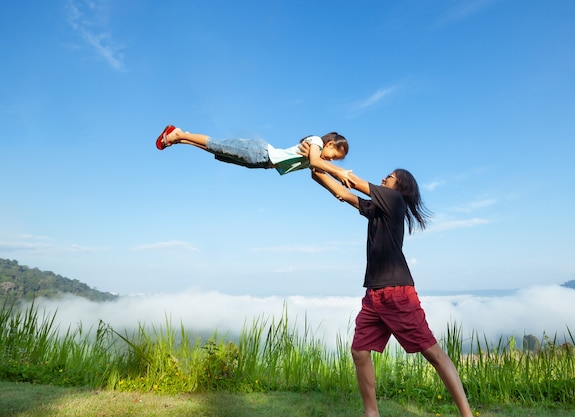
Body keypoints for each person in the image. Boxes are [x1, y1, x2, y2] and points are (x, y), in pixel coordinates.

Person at [299, 143, 473, 417]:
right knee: (359, 351)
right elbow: (344, 193)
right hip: (374, 296)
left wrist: (320, 160)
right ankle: (372, 413)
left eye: (389, 177)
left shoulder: (394, 201)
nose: (383, 178)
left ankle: (467, 414)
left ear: (400, 186)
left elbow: (352, 181)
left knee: (433, 354)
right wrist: (314, 166)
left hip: (397, 292)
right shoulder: (379, 208)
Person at [155, 125, 354, 186]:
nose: (331, 160)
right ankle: (178, 134)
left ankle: (183, 138)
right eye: (334, 155)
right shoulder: (316, 143)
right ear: (328, 144)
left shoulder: (317, 155)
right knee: (214, 144)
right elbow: (315, 161)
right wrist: (340, 172)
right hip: (259, 152)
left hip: (260, 162)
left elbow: (316, 171)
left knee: (213, 150)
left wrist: (339, 180)